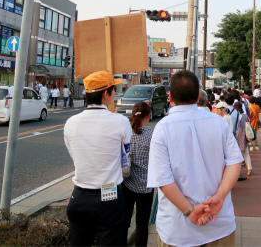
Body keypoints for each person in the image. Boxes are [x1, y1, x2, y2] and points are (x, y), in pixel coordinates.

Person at [147, 70, 243, 247]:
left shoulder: (162, 128)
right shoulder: (219, 122)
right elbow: (234, 162)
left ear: (170, 96)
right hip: (218, 223)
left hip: (176, 229)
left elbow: (163, 179)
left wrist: (189, 210)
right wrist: (220, 196)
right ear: (199, 96)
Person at [63, 71, 131, 247]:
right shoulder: (120, 121)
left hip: (79, 196)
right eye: (113, 89)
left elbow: (73, 153)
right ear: (106, 94)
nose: (115, 93)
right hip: (110, 197)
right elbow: (125, 156)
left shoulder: (71, 122)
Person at [123, 102, 154, 247]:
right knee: (142, 224)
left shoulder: (126, 132)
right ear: (148, 116)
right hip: (145, 186)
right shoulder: (150, 134)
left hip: (127, 183)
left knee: (124, 221)